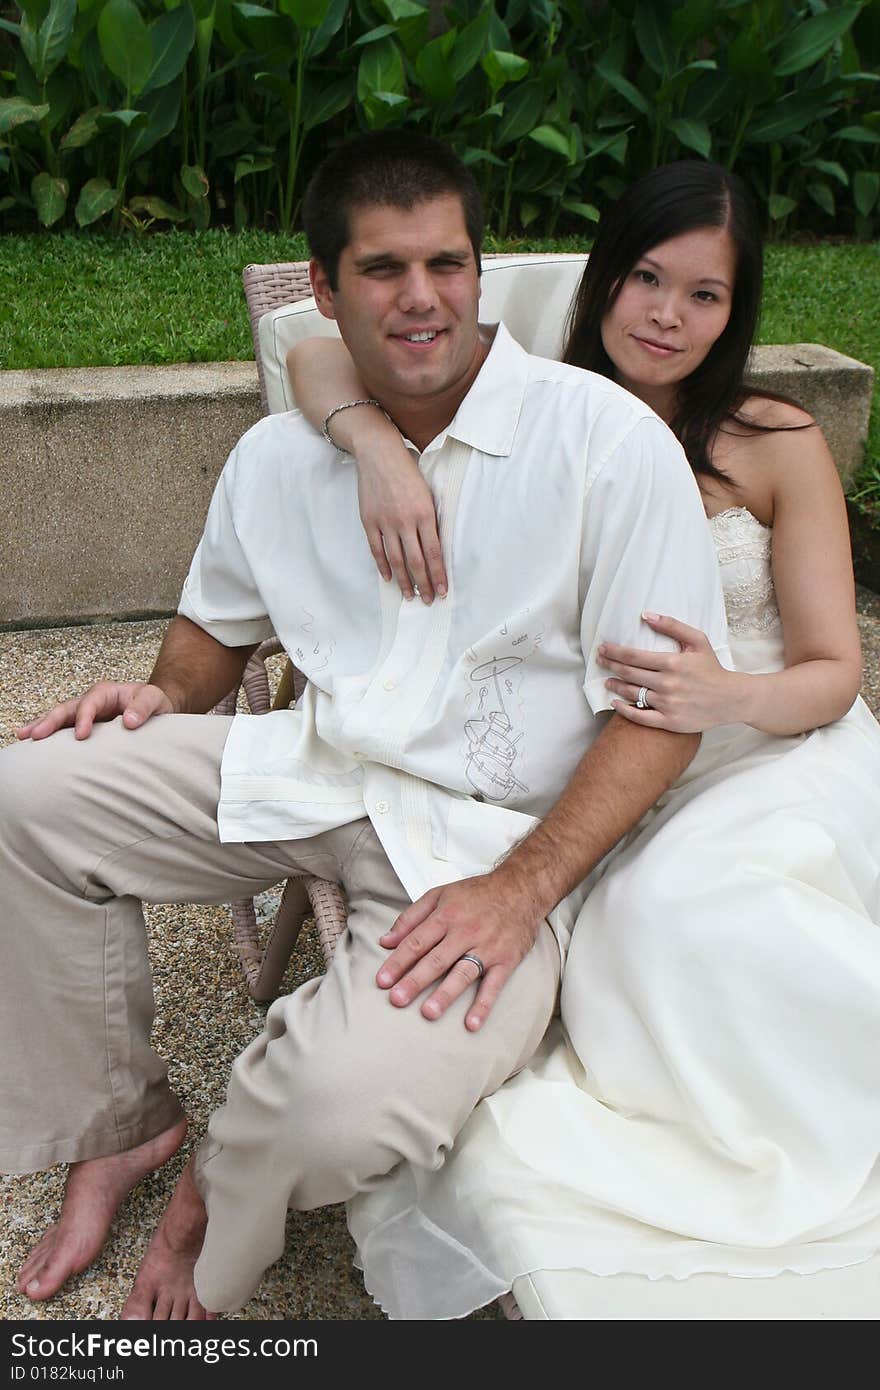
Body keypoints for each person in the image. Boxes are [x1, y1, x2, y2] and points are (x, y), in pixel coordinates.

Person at [1, 136, 731, 1320]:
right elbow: (207, 638)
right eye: (384, 269)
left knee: (330, 1112)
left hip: (484, 850)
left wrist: (523, 887)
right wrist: (155, 699)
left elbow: (664, 721)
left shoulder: (604, 444)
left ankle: (210, 1198)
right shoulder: (279, 456)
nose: (423, 297)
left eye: (448, 263)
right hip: (312, 769)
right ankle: (120, 1121)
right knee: (22, 793)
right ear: (324, 286)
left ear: (480, 271)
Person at [286, 161, 880, 1318]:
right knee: (655, 922)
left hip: (769, 752)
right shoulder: (519, 398)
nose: (667, 315)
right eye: (646, 279)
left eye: (704, 296)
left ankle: (809, 1136)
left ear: (735, 312)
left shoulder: (770, 440)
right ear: (603, 278)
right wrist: (375, 443)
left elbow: (833, 672)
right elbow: (309, 352)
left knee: (702, 911)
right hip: (590, 772)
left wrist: (725, 698)